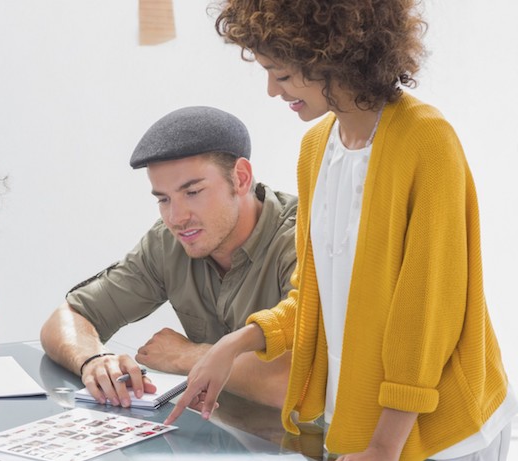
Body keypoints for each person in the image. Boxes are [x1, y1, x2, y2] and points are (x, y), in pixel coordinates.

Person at [166, 2, 516, 461]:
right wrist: (235, 344)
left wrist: (384, 445)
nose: (272, 90)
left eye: (283, 74)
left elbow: (428, 313)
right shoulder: (316, 149)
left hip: (437, 436)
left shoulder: (426, 142)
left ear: (332, 57)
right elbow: (316, 295)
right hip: (360, 426)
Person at [40, 106, 297, 409]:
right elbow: (65, 319)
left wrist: (185, 355)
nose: (176, 218)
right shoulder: (169, 242)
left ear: (240, 178)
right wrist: (94, 360)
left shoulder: (303, 239)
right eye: (163, 199)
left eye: (193, 192)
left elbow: (292, 383)